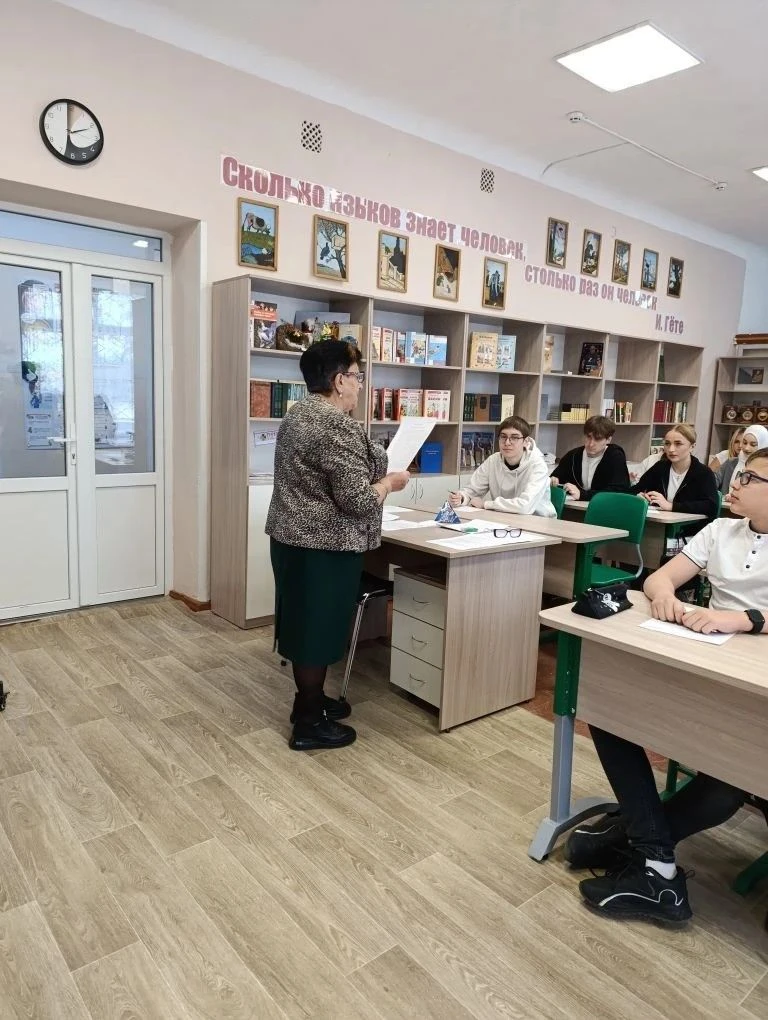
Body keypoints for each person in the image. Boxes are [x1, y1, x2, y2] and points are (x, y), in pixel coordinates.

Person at [566, 447, 768, 927]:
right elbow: (659, 579)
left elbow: (745, 619)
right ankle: (652, 855)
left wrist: (742, 619)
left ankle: (639, 848)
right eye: (738, 475)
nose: (733, 483)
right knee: (609, 714)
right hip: (705, 664)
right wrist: (664, 598)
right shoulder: (721, 530)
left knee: (727, 781)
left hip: (755, 685)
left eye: (749, 478)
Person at [265, 339, 410, 752]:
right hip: (322, 549)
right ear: (338, 380)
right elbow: (359, 500)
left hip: (294, 540)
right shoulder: (335, 427)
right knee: (317, 632)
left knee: (305, 627)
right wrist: (389, 484)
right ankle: (308, 724)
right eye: (357, 377)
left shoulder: (299, 413)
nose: (361, 385)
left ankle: (308, 702)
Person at [448, 415, 556, 516]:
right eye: (503, 437)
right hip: (504, 517)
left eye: (514, 437)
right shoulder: (493, 460)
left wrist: (486, 504)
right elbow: (472, 491)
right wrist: (462, 497)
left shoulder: (538, 465)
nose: (507, 442)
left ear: (526, 441)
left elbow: (524, 507)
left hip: (538, 520)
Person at [631, 424, 719, 542]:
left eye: (678, 444)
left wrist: (671, 506)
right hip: (659, 527)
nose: (671, 449)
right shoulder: (660, 467)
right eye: (667, 444)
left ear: (692, 447)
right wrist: (639, 496)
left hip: (691, 534)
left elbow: (711, 506)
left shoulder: (703, 473)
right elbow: (635, 489)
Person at [549, 415, 630, 501]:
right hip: (574, 505)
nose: (591, 444)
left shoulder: (615, 457)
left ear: (608, 440)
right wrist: (554, 480)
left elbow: (619, 491)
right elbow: (556, 477)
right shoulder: (573, 455)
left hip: (604, 506)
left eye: (597, 439)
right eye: (588, 437)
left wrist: (583, 495)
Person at [716, 424, 768, 499]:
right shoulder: (731, 463)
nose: (746, 448)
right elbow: (712, 481)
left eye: (753, 445)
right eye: (744, 443)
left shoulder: (765, 469)